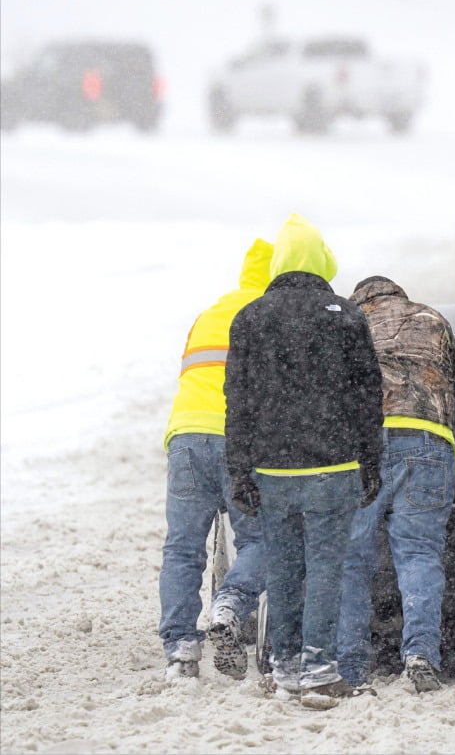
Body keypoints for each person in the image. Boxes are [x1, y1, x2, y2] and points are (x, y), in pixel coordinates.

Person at [224, 213, 384, 708]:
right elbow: (367, 397)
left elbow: (238, 400)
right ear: (321, 259)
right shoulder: (346, 315)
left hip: (272, 472)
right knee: (325, 571)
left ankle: (284, 667)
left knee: (284, 569)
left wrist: (240, 469)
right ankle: (320, 671)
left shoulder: (250, 318)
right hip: (333, 469)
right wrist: (370, 462)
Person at [337, 276, 455, 694]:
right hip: (429, 443)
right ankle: (420, 655)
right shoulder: (432, 318)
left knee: (353, 561)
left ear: (362, 300)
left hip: (367, 444)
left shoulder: (352, 324)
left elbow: (335, 388)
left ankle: (350, 666)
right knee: (419, 556)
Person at [159, 238, 272, 681]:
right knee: (260, 539)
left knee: (183, 548)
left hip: (185, 435)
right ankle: (231, 603)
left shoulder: (208, 314)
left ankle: (181, 651)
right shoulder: (265, 316)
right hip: (236, 439)